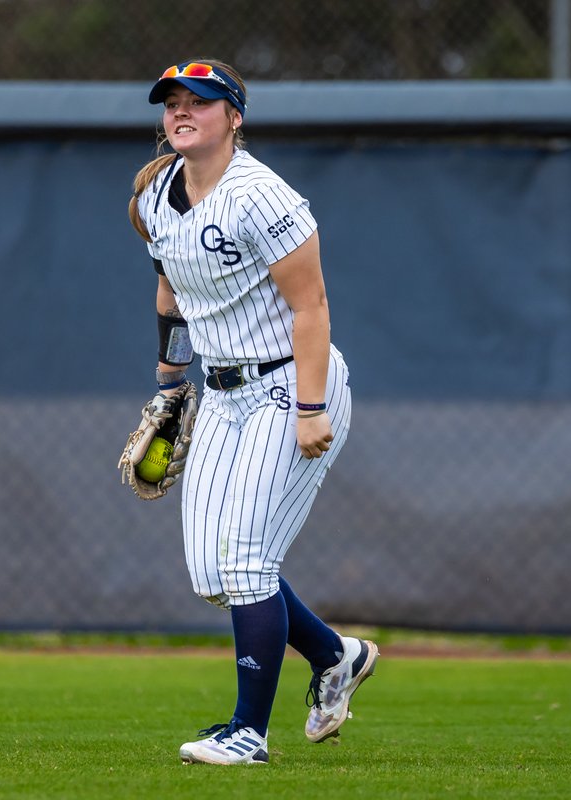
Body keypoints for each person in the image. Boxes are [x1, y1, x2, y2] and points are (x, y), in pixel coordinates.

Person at [128, 59, 379, 766]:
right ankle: (337, 655)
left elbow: (311, 307)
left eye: (200, 102)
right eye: (172, 102)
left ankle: (249, 731)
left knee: (244, 562)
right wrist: (171, 380)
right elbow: (171, 292)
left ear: (234, 117)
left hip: (288, 383)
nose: (182, 111)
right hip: (222, 392)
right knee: (213, 574)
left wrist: (310, 408)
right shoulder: (154, 194)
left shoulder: (262, 196)